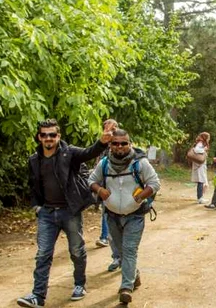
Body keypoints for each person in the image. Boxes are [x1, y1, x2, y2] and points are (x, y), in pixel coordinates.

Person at [17, 118, 116, 308]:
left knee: (77, 251)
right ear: (39, 137)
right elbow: (34, 186)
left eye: (52, 134)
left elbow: (88, 153)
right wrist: (37, 206)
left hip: (69, 211)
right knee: (43, 254)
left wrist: (102, 141)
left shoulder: (68, 153)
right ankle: (38, 296)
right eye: (44, 135)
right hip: (47, 213)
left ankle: (79, 284)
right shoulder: (34, 160)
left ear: (58, 136)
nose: (48, 138)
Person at [88, 129, 160, 304]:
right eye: (115, 143)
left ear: (130, 144)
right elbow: (91, 180)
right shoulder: (104, 164)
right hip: (111, 216)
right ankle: (134, 275)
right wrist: (100, 190)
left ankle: (126, 287)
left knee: (129, 250)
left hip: (135, 215)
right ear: (110, 145)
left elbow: (155, 183)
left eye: (123, 143)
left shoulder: (140, 164)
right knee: (120, 252)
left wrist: (142, 196)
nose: (119, 146)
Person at [191, 132, 210, 204]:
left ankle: (200, 197)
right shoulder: (200, 143)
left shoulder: (200, 143)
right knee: (201, 181)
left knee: (201, 181)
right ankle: (200, 198)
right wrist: (204, 150)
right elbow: (196, 150)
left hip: (200, 165)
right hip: (199, 165)